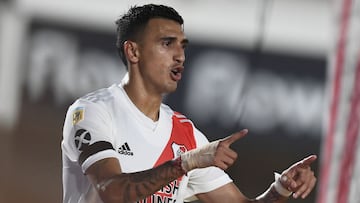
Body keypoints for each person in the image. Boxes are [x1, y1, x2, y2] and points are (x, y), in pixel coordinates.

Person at [61, 4, 317, 203]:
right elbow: (111, 192)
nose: (180, 56)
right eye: (166, 44)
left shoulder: (187, 135)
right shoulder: (92, 112)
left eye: (182, 46)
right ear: (133, 51)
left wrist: (281, 187)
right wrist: (185, 163)